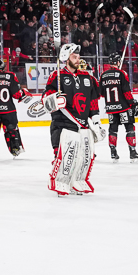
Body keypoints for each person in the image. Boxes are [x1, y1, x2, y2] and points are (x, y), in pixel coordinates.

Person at [43, 44, 106, 195]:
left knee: (83, 156)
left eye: (78, 57)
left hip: (82, 125)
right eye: (74, 57)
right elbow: (45, 98)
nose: (78, 60)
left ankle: (77, 181)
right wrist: (54, 99)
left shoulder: (87, 77)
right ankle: (60, 182)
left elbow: (92, 100)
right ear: (66, 58)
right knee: (65, 156)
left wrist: (96, 120)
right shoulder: (57, 76)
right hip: (62, 123)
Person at [99, 53, 138, 163]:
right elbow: (126, 92)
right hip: (123, 107)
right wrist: (133, 103)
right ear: (118, 62)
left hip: (110, 108)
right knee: (129, 128)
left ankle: (113, 153)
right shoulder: (122, 73)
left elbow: (102, 93)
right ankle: (133, 152)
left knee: (113, 129)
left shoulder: (103, 75)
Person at [0, 58, 27, 158]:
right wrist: (24, 93)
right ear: (4, 66)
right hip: (8, 110)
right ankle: (15, 149)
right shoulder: (11, 76)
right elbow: (16, 94)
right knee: (11, 130)